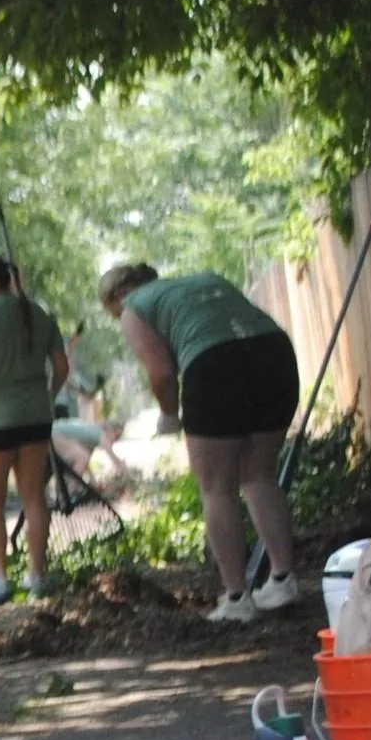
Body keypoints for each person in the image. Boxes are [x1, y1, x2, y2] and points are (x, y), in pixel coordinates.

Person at [98, 261, 301, 623]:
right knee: (258, 475)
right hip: (274, 355)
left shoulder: (133, 308)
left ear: (116, 296)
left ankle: (237, 598)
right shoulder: (205, 279)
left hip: (214, 364)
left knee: (217, 487)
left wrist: (169, 415)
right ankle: (283, 580)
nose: (118, 319)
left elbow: (160, 372)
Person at [0, 254, 70, 607]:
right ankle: (38, 576)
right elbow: (61, 366)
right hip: (36, 416)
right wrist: (46, 395)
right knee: (34, 495)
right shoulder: (38, 313)